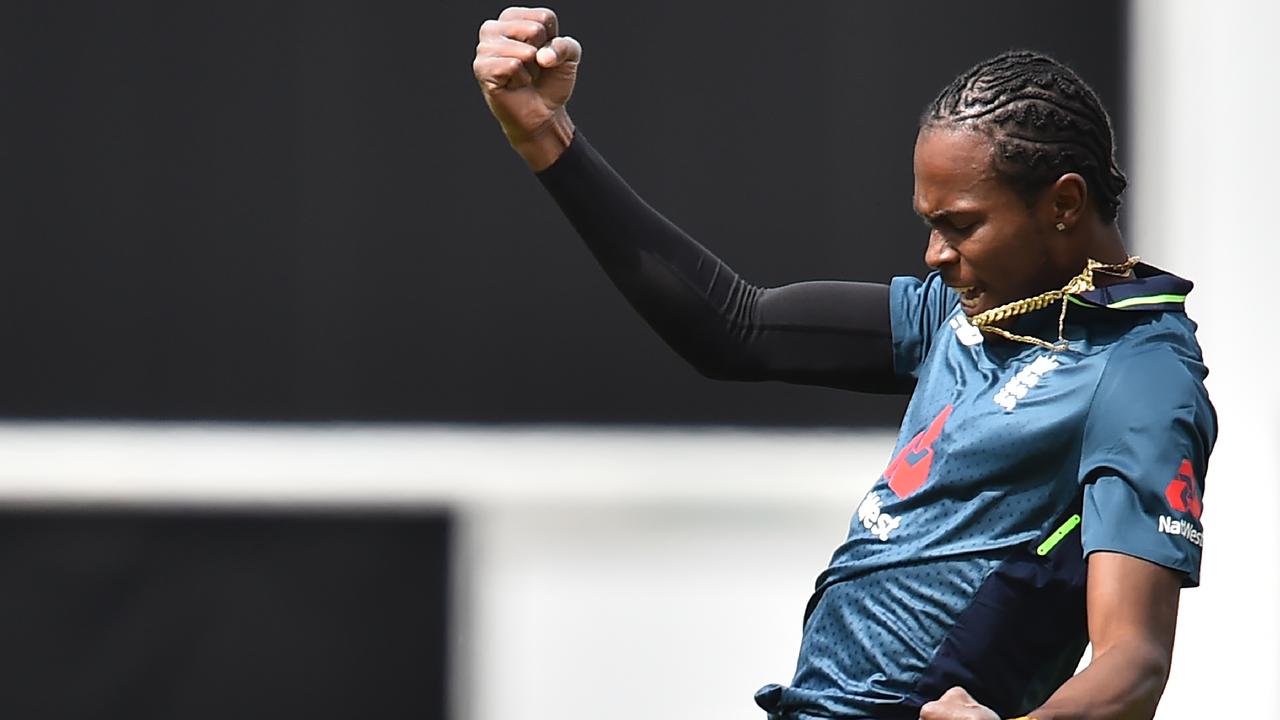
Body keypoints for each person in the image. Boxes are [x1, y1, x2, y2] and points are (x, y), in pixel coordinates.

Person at [472, 8, 1216, 720]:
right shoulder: (961, 312)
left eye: (959, 226)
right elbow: (735, 327)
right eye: (929, 225)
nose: (934, 255)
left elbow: (1135, 659)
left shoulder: (1140, 377)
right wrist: (545, 134)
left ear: (1062, 204)